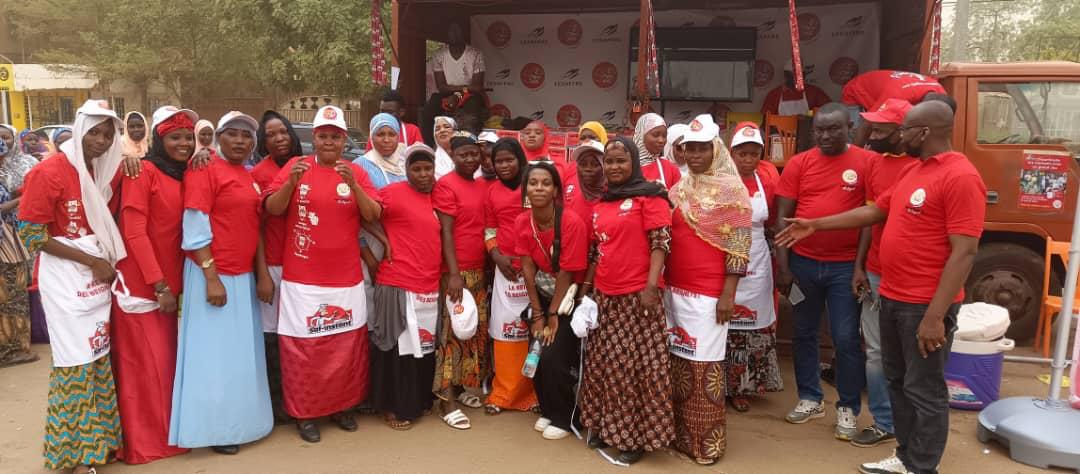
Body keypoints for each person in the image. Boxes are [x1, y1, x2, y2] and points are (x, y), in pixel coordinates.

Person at [777, 101, 985, 474]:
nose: (898, 135)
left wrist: (936, 316)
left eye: (905, 129)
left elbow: (965, 252)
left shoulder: (961, 176)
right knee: (899, 381)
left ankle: (922, 466)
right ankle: (905, 456)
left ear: (924, 132)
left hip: (925, 305)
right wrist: (816, 224)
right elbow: (875, 212)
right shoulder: (914, 171)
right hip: (892, 294)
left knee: (925, 389)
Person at [18, 99, 126, 473]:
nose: (100, 140)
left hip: (95, 283)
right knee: (74, 365)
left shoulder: (97, 172)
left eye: (107, 134)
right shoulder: (49, 172)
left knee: (96, 361)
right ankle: (75, 458)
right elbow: (31, 234)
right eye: (94, 132)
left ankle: (100, 446)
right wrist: (91, 261)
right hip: (68, 280)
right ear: (79, 130)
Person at [264, 105, 382, 443]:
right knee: (305, 349)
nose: (329, 142)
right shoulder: (294, 166)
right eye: (323, 136)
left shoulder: (356, 172)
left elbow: (373, 214)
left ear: (344, 140)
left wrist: (355, 187)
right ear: (314, 139)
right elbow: (273, 209)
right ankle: (305, 414)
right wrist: (291, 183)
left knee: (346, 347)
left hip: (346, 279)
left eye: (335, 136)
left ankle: (343, 407)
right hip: (303, 280)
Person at [170, 111, 273, 455]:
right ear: (218, 138)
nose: (241, 141)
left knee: (239, 356)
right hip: (211, 277)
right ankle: (215, 429)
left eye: (247, 136)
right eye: (233, 134)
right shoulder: (204, 169)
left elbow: (254, 229)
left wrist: (261, 274)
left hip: (241, 277)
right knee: (213, 358)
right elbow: (195, 228)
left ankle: (241, 423)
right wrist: (211, 277)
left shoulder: (246, 175)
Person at [774, 103, 875, 440]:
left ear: (850, 127)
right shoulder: (799, 163)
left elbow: (869, 221)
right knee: (804, 332)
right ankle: (809, 397)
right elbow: (783, 218)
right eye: (820, 130)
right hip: (802, 264)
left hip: (844, 268)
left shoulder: (866, 162)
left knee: (846, 338)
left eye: (834, 129)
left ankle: (847, 406)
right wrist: (784, 267)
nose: (826, 136)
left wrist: (859, 266)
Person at [111, 106, 198, 464]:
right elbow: (133, 232)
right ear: (160, 141)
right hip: (143, 286)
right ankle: (145, 444)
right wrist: (158, 285)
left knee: (166, 366)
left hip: (175, 286)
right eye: (174, 137)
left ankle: (170, 432)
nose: (183, 144)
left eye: (188, 138)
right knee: (144, 368)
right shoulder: (142, 172)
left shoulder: (185, 174)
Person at [579, 136, 674, 465]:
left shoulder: (651, 197)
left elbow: (661, 243)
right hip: (606, 297)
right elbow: (596, 250)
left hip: (638, 299)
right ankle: (607, 429)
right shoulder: (603, 202)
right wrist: (587, 290)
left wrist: (651, 286)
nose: (615, 166)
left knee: (632, 370)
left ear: (633, 162)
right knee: (604, 366)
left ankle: (634, 438)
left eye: (621, 160)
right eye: (610, 161)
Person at [663, 118, 751, 465]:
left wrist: (728, 294)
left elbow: (739, 245)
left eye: (702, 148)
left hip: (709, 294)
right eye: (689, 148)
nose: (695, 155)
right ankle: (679, 436)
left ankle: (705, 444)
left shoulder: (733, 190)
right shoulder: (681, 187)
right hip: (674, 289)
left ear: (716, 150)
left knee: (703, 368)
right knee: (677, 365)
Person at [848, 98, 916, 449]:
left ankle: (914, 427)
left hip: (915, 280)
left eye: (880, 129)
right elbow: (868, 218)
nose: (872, 134)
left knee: (911, 354)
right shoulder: (875, 164)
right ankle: (883, 421)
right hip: (875, 272)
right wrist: (859, 265)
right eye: (871, 127)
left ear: (903, 132)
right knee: (875, 351)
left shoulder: (924, 167)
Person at [368, 144, 442, 431]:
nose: (423, 174)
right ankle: (392, 406)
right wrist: (383, 243)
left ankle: (418, 401)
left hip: (428, 285)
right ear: (407, 170)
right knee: (396, 349)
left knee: (421, 347)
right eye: (416, 169)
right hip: (397, 283)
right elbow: (362, 214)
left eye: (428, 168)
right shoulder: (393, 193)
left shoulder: (438, 195)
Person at [516, 161, 589, 440]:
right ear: (525, 190)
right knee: (536, 354)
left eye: (546, 183)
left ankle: (566, 417)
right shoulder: (522, 221)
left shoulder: (570, 222)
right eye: (533, 183)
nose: (539, 188)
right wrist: (537, 313)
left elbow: (567, 272)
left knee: (555, 355)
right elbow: (527, 268)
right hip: (541, 299)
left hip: (567, 298)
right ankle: (547, 409)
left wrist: (553, 315)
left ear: (556, 189)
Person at [432, 131, 490, 430]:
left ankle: (459, 388)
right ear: (452, 156)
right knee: (450, 336)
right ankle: (445, 401)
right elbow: (445, 232)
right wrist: (453, 274)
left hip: (478, 270)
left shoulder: (481, 185)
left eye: (474, 154)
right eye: (463, 154)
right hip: (456, 272)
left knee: (471, 333)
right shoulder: (445, 186)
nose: (469, 159)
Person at [725, 122, 784, 412]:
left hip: (758, 255)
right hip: (725, 253)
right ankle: (722, 385)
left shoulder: (768, 180)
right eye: (742, 154)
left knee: (753, 325)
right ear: (731, 153)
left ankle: (745, 385)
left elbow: (773, 219)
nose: (748, 160)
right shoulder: (719, 180)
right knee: (724, 323)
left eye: (754, 154)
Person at [251, 110, 305, 425]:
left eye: (283, 131)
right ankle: (277, 401)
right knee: (272, 337)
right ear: (264, 141)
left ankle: (303, 394)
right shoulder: (259, 173)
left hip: (306, 267)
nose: (279, 138)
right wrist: (262, 274)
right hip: (273, 264)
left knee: (301, 335)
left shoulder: (309, 166)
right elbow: (255, 227)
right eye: (271, 134)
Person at [483, 137, 534, 415]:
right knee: (505, 333)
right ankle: (502, 394)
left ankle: (531, 394)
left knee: (533, 333)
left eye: (509, 160)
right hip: (505, 271)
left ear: (520, 158)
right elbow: (489, 229)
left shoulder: (533, 183)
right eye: (498, 161)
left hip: (534, 271)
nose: (503, 165)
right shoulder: (491, 192)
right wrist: (496, 256)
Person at [0, 123, 39, 368]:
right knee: (11, 299)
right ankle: (11, 351)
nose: (3, 162)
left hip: (10, 239)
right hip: (5, 245)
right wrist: (23, 199)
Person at [423, 22, 487, 140]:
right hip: (448, 94)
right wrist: (460, 91)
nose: (454, 34)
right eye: (451, 31)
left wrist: (458, 94)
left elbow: (477, 87)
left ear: (464, 33)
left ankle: (468, 144)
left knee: (472, 113)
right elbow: (441, 87)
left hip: (470, 95)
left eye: (458, 30)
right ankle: (429, 147)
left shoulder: (475, 54)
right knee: (428, 110)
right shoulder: (439, 55)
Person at [842, 70, 945, 113]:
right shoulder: (895, 95)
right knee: (854, 131)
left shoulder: (941, 92)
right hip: (854, 90)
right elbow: (869, 122)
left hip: (888, 88)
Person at [356, 113, 407, 189]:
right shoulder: (360, 165)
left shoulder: (406, 161)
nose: (386, 140)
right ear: (371, 137)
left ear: (398, 137)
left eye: (392, 134)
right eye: (380, 134)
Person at [761, 63, 831, 116]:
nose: (796, 79)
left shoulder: (814, 92)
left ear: (804, 76)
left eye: (800, 76)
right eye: (792, 76)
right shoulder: (774, 95)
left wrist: (809, 114)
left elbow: (830, 111)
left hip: (807, 133)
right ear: (785, 76)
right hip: (779, 134)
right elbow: (766, 119)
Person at [634, 113, 681, 189]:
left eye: (664, 136)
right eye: (656, 135)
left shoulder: (670, 169)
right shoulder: (627, 167)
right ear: (641, 135)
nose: (661, 140)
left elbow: (679, 198)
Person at [563, 140, 605, 222]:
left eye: (595, 164)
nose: (588, 169)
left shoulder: (614, 198)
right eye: (582, 164)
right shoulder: (569, 196)